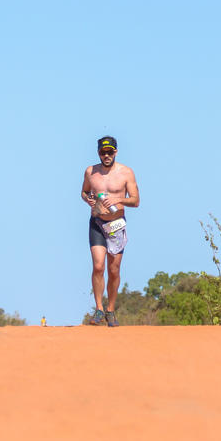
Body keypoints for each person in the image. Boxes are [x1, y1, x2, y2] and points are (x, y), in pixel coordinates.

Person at [81, 136, 139, 326]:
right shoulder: (91, 172)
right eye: (103, 152)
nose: (106, 155)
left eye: (110, 152)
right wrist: (88, 199)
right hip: (97, 222)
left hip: (116, 226)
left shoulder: (126, 173)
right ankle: (98, 309)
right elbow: (84, 191)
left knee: (114, 270)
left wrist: (118, 200)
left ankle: (110, 310)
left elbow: (136, 201)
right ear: (98, 153)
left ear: (116, 152)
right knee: (98, 266)